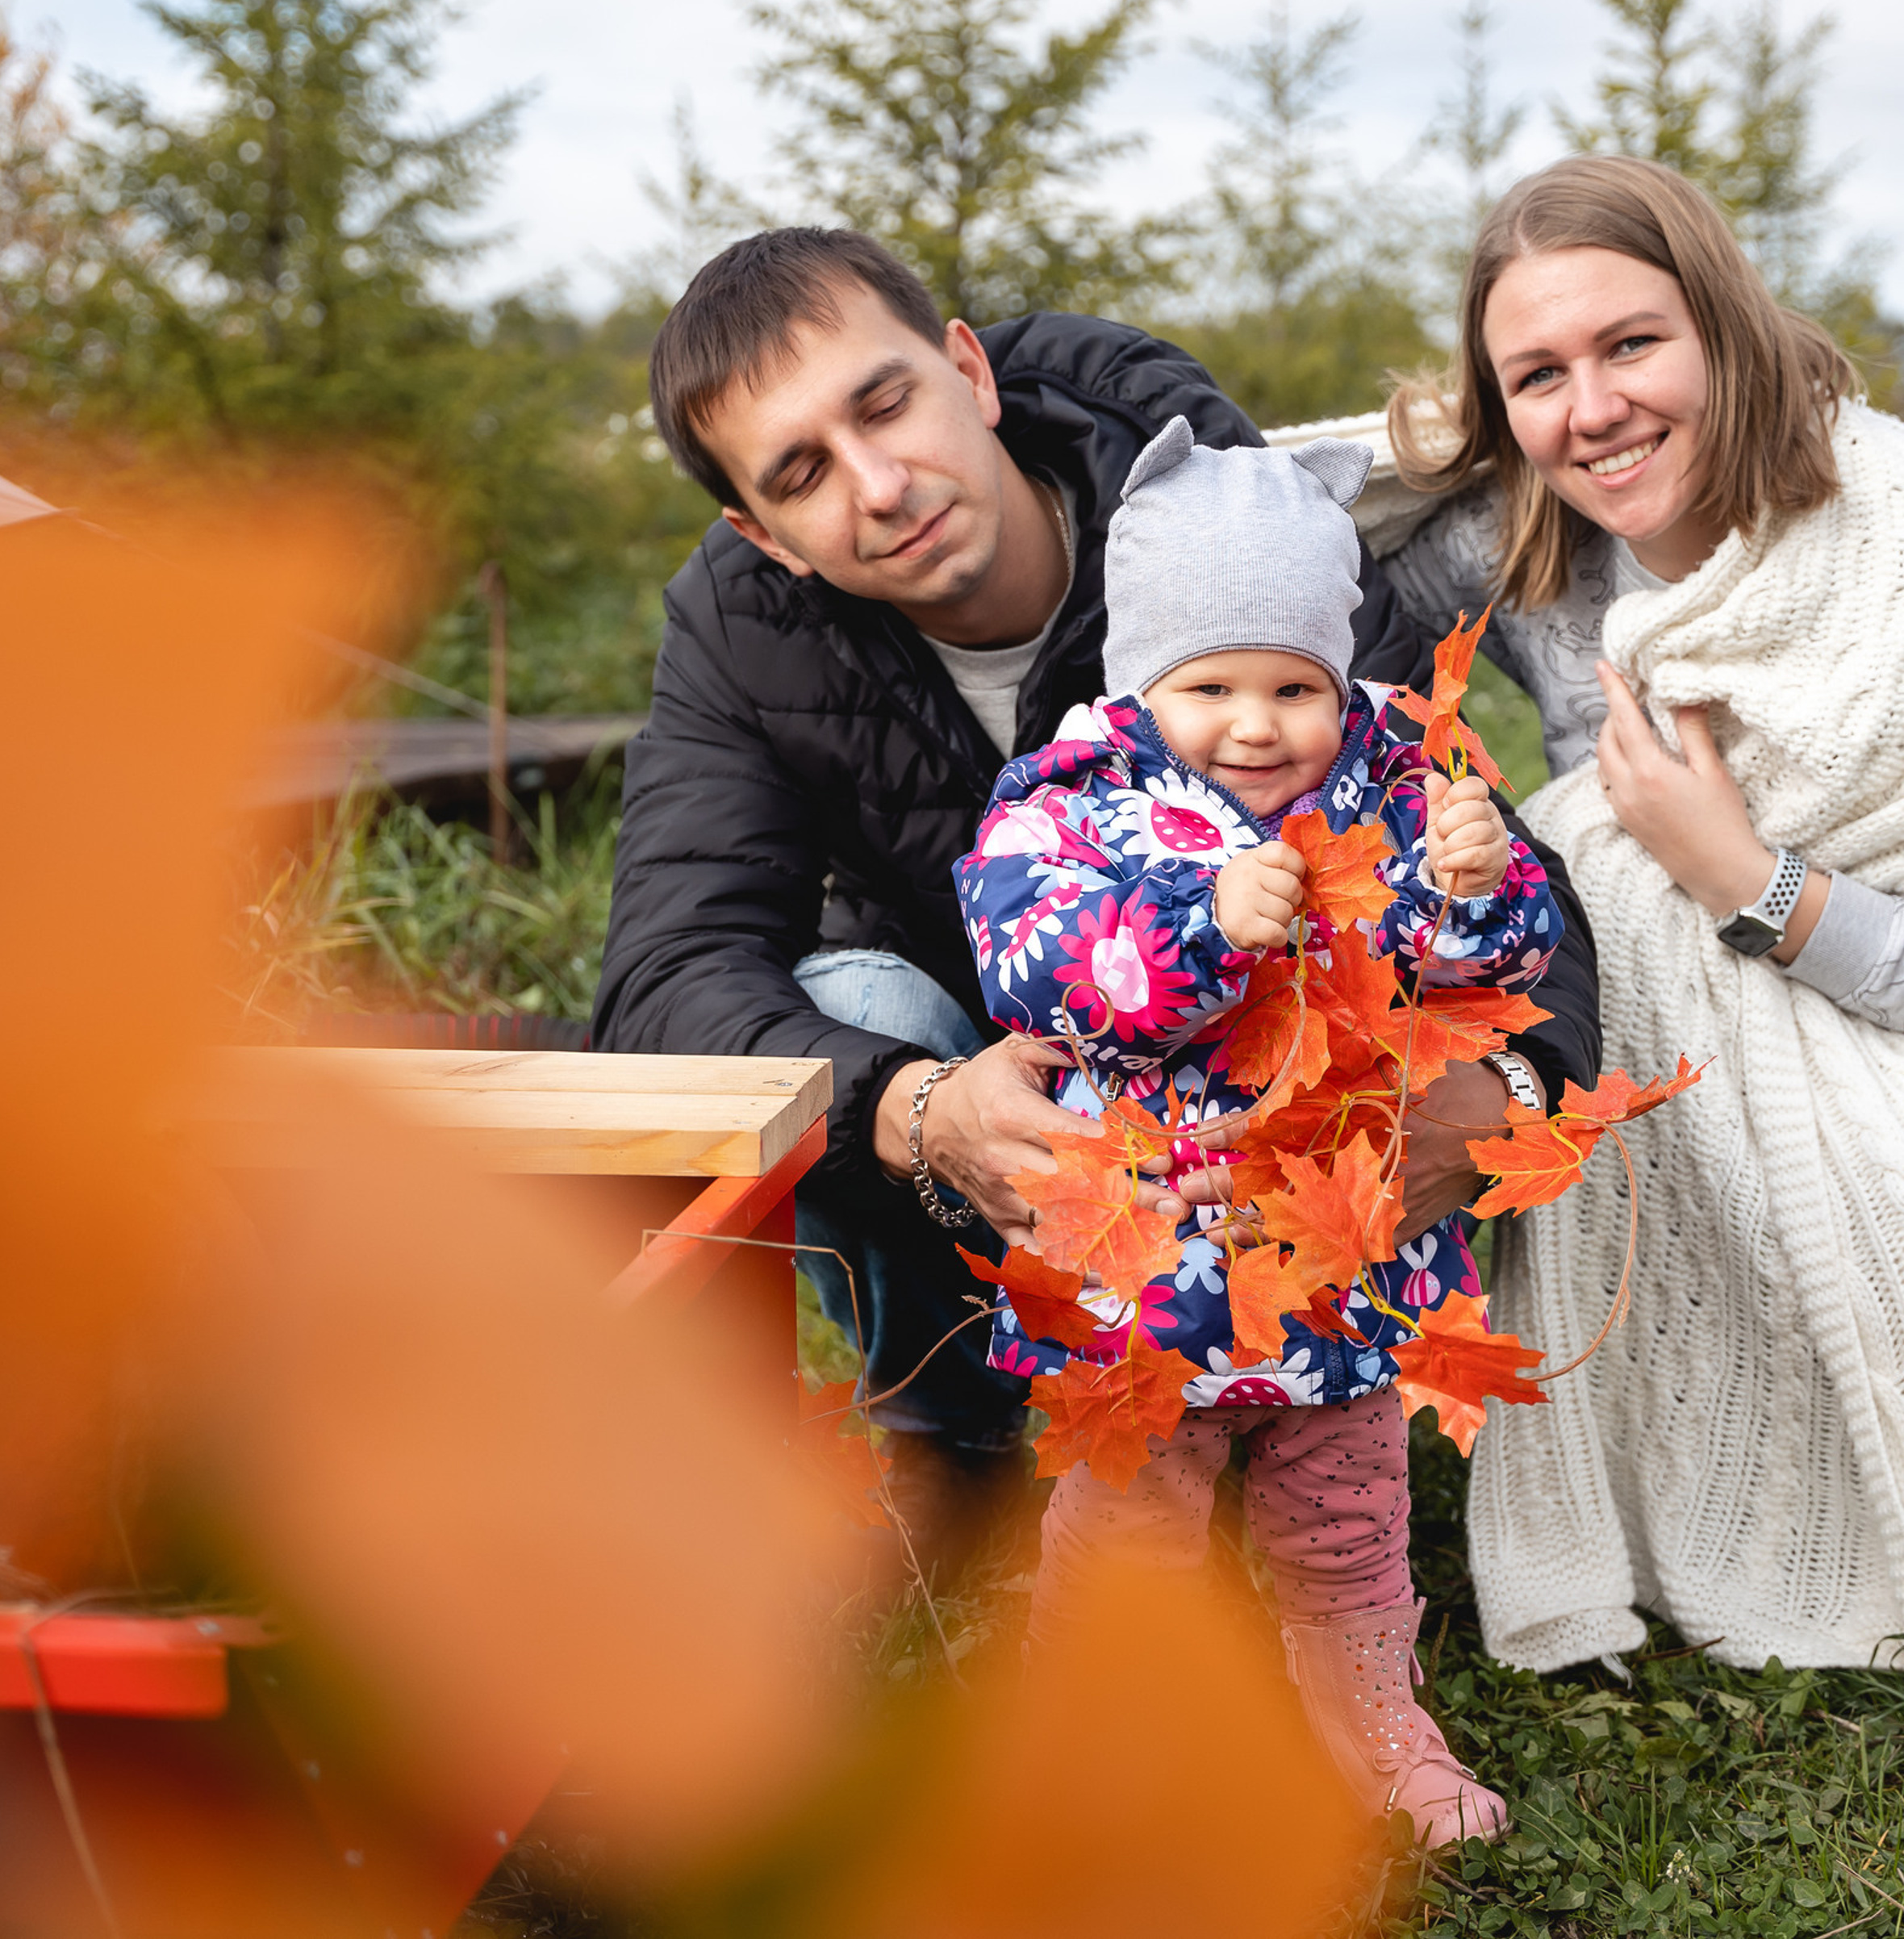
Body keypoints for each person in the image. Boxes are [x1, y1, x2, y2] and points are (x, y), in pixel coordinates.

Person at [591, 226, 1602, 1577]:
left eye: (884, 403)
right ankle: (959, 1437)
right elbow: (666, 975)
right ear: (757, 531)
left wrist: (1514, 1097)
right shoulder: (739, 632)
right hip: (999, 1062)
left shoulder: (1224, 521)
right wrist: (911, 1111)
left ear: (967, 369)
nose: (880, 484)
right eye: (801, 474)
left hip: (1261, 1087)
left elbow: (1478, 841)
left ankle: (1282, 1420)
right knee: (855, 1007)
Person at [1369, 153, 1904, 1683]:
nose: (1593, 410)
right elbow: (1261, 543)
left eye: (1632, 345)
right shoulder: (1528, 533)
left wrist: (1750, 887)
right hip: (1712, 1023)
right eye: (1536, 376)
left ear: (1728, 327)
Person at [954, 416, 1559, 1841]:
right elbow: (1028, 958)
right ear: (1140, 679)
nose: (1255, 723)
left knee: (1345, 1510)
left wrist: (1478, 888)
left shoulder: (1392, 786)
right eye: (1209, 684)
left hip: (1335, 1249)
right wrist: (1199, 928)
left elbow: (1493, 978)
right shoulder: (1074, 804)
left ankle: (1364, 1704)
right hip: (1148, 1256)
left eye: (1293, 685)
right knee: (1131, 1517)